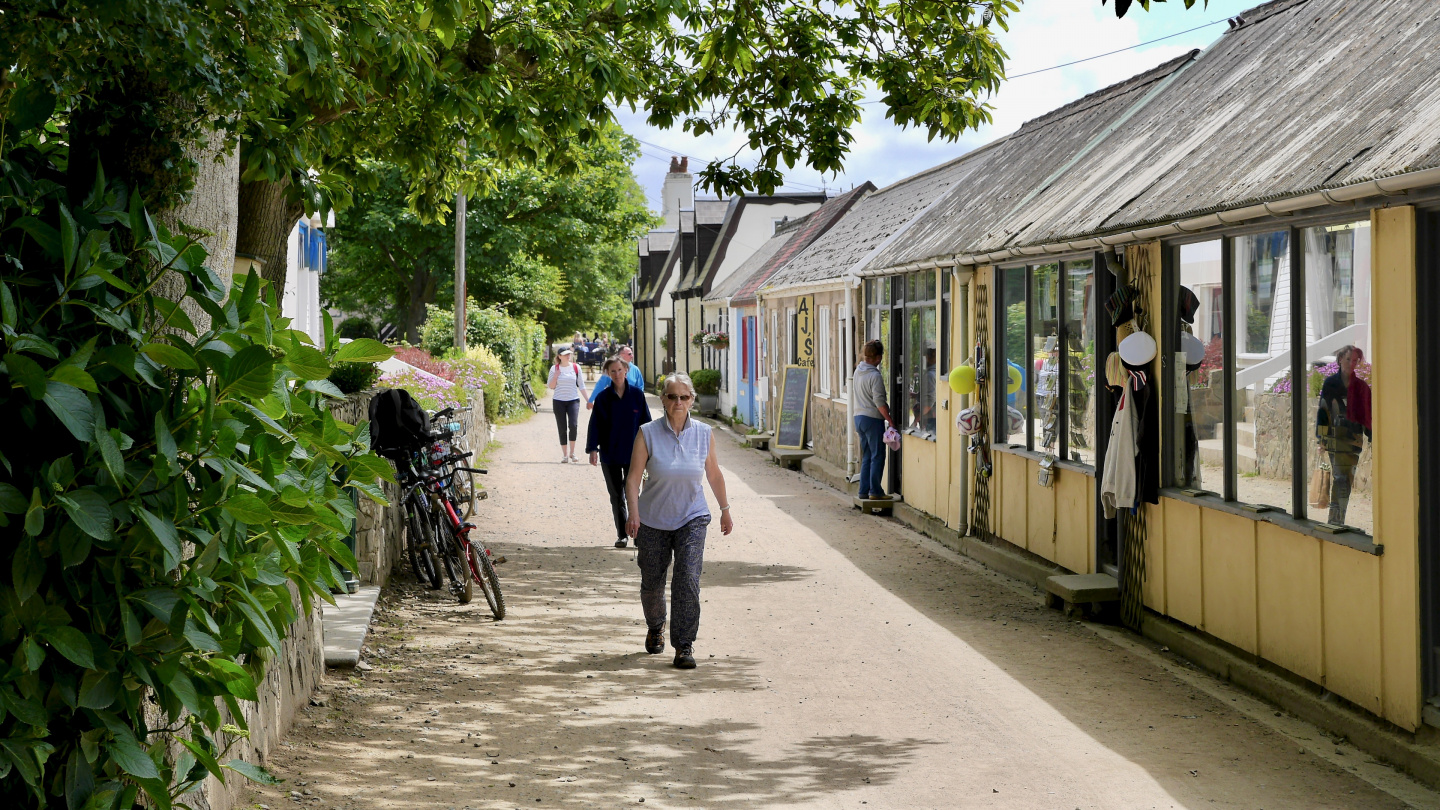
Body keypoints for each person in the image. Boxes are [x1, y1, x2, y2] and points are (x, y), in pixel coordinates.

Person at [625, 372, 733, 669]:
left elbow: (713, 473)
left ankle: (684, 644)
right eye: (672, 396)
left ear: (692, 400)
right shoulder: (647, 433)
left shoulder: (704, 432)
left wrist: (725, 508)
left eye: (684, 397)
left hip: (692, 516)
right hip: (652, 519)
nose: (678, 402)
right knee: (652, 581)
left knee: (687, 578)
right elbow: (633, 479)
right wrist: (633, 512)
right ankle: (656, 624)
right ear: (663, 399)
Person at [587, 357, 652, 548]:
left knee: (633, 493)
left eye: (619, 370)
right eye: (612, 371)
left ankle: (638, 533)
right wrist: (592, 449)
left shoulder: (637, 396)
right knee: (616, 495)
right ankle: (622, 534)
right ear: (608, 373)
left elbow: (647, 424)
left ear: (626, 370)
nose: (616, 374)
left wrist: (651, 449)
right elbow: (595, 425)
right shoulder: (603, 398)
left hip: (635, 454)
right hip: (610, 454)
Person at [1316, 345, 1371, 525]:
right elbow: (1323, 411)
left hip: (1353, 441)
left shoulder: (1362, 388)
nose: (1351, 364)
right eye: (1348, 360)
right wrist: (1322, 439)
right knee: (1340, 477)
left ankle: (1339, 518)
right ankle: (1335, 521)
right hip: (1334, 438)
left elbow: (1368, 415)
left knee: (1346, 480)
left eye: (1355, 360)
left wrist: (1371, 436)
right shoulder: (1330, 384)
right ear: (1340, 360)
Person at [851, 340, 895, 501]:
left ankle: (863, 490)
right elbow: (879, 402)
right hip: (872, 419)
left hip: (859, 418)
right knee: (878, 455)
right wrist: (889, 420)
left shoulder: (858, 371)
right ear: (878, 357)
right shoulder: (874, 375)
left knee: (868, 455)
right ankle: (875, 491)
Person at [547, 347, 587, 463]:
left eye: (569, 354)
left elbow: (581, 385)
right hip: (558, 401)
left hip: (573, 400)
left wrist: (589, 401)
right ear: (559, 356)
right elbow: (551, 386)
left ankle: (572, 453)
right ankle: (565, 455)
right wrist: (556, 376)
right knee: (562, 427)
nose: (567, 356)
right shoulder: (554, 369)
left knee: (573, 426)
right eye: (565, 354)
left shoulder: (576, 367)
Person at [587, 345, 645, 410]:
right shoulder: (611, 368)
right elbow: (600, 385)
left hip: (631, 404)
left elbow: (640, 386)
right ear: (621, 355)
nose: (632, 356)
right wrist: (591, 400)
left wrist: (639, 400)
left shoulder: (635, 369)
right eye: (629, 354)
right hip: (614, 404)